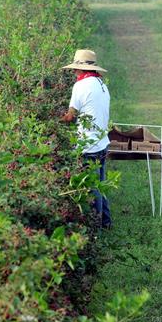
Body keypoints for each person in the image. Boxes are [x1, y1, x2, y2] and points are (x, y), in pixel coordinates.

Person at [60, 49, 112, 228]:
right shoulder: (100, 83)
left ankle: (96, 228)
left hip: (89, 146)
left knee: (92, 189)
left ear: (81, 69)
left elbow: (70, 116)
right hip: (102, 143)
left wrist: (54, 121)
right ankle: (106, 223)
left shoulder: (80, 86)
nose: (74, 71)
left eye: (76, 68)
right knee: (101, 185)